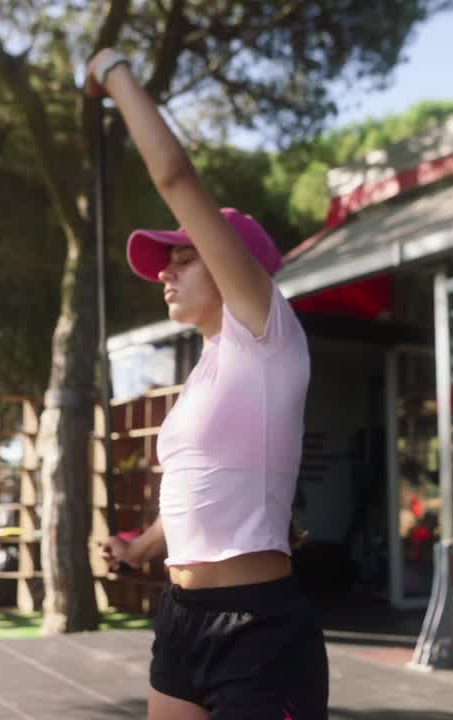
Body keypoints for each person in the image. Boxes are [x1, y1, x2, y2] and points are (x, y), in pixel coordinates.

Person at [88, 48, 328, 720]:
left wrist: (114, 72)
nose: (166, 272)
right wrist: (143, 546)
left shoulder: (266, 335)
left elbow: (173, 175)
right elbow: (203, 491)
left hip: (258, 628)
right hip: (182, 615)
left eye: (185, 258)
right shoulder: (205, 372)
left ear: (234, 267)